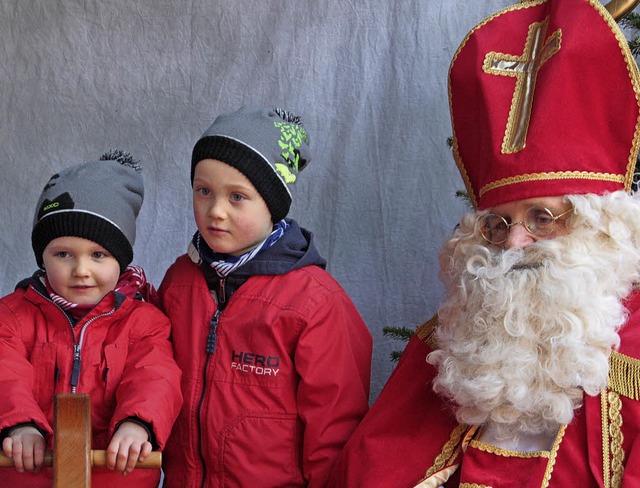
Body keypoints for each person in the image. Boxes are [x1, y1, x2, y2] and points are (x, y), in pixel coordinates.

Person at [327, 0, 640, 486]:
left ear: (598, 227)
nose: (515, 242)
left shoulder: (633, 350)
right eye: (498, 223)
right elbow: (376, 466)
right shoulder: (458, 338)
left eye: (542, 218)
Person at [158, 106, 372, 487]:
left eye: (237, 197)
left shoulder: (316, 303)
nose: (215, 211)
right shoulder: (178, 283)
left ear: (272, 204)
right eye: (203, 191)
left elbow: (335, 434)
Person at [0, 150, 183, 487]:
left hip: (114, 476)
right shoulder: (11, 316)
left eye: (99, 255)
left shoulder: (144, 322)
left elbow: (156, 377)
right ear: (43, 256)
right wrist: (19, 424)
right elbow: (4, 372)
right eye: (63, 254)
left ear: (122, 260)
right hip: (29, 476)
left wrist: (137, 423)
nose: (81, 270)